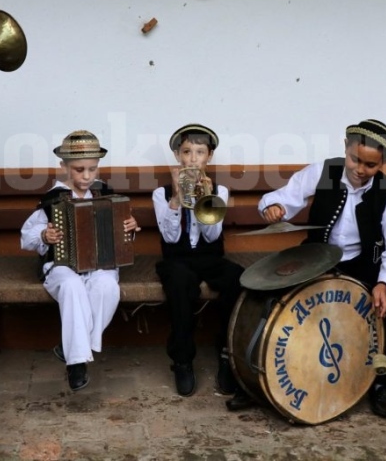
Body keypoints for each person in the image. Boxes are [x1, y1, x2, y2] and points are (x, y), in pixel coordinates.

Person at [257, 119, 386, 419]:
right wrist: (273, 207)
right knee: (272, 292)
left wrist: (384, 283)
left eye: (370, 165)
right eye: (355, 159)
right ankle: (276, 373)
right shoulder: (323, 171)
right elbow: (283, 198)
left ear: (383, 162)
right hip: (317, 257)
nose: (360, 169)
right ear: (345, 148)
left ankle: (383, 382)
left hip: (365, 262)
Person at [20, 130, 139, 391]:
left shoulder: (105, 195)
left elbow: (122, 232)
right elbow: (26, 238)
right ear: (63, 167)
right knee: (72, 287)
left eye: (92, 169)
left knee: (107, 287)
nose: (86, 176)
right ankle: (77, 363)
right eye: (79, 170)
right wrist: (44, 234)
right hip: (62, 266)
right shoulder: (53, 200)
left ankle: (71, 346)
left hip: (101, 265)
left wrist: (129, 226)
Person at [152, 124, 244, 397]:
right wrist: (177, 199)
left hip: (209, 258)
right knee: (180, 284)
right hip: (177, 259)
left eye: (199, 152)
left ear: (209, 157)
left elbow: (213, 233)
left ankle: (228, 357)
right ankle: (182, 360)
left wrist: (207, 198)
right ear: (178, 156)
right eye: (187, 152)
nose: (193, 159)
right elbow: (169, 239)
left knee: (237, 280)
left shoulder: (220, 191)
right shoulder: (161, 194)